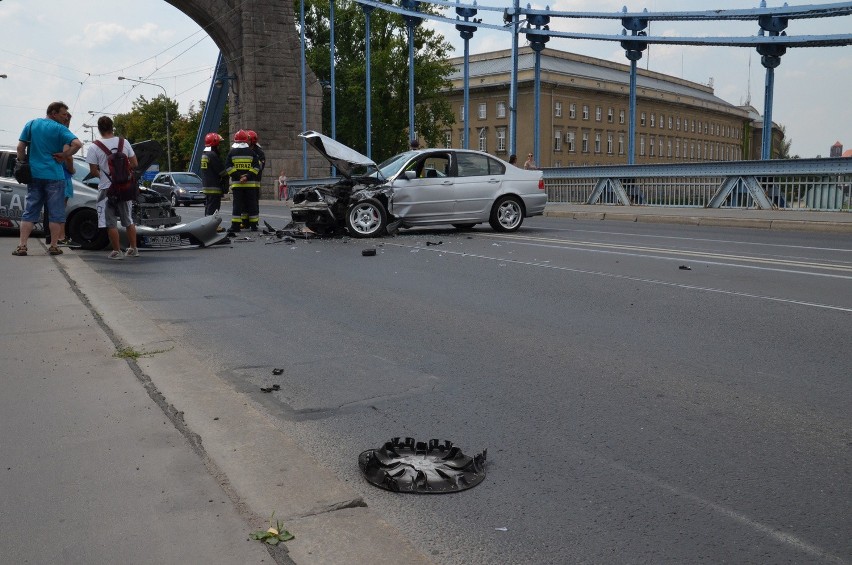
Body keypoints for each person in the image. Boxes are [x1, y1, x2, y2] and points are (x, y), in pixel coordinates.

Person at [13, 101, 83, 256]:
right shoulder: (60, 129)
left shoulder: (31, 124)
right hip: (55, 176)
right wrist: (64, 155)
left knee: (30, 210)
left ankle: (22, 246)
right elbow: (78, 144)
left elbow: (20, 147)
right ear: (54, 113)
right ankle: (53, 246)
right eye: (63, 114)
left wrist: (23, 162)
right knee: (56, 212)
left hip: (35, 174)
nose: (65, 117)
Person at [86, 116, 139, 259]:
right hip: (124, 187)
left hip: (106, 189)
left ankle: (117, 251)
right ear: (112, 127)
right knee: (128, 219)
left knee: (110, 222)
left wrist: (105, 176)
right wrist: (123, 173)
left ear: (99, 129)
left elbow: (93, 171)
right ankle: (133, 249)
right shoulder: (124, 142)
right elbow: (134, 163)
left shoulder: (94, 146)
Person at [224, 129, 262, 233]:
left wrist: (238, 176)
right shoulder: (252, 152)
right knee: (252, 204)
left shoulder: (231, 152)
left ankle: (235, 226)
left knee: (237, 205)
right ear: (246, 140)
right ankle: (253, 225)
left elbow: (228, 167)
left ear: (235, 140)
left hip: (237, 184)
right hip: (250, 184)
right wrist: (247, 177)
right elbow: (256, 167)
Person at [200, 132, 228, 217]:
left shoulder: (204, 154)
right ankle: (211, 225)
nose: (219, 145)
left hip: (207, 185)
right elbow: (221, 171)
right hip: (214, 186)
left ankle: (206, 223)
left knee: (209, 206)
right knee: (214, 207)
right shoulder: (212, 155)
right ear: (215, 143)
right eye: (219, 143)